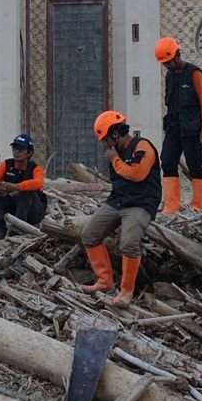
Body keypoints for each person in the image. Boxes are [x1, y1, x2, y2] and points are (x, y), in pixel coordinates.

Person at [81, 110, 160, 307]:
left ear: (115, 134)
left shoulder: (142, 147)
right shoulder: (116, 152)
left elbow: (137, 174)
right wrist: (116, 159)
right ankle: (105, 281)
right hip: (118, 200)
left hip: (141, 203)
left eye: (106, 139)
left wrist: (115, 159)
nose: (105, 145)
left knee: (129, 243)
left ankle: (126, 291)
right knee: (90, 234)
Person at [155, 37, 202, 213]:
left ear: (177, 55)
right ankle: (171, 206)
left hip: (191, 129)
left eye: (168, 62)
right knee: (167, 161)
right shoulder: (170, 75)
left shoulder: (194, 73)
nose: (166, 66)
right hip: (174, 127)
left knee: (196, 166)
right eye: (163, 63)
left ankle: (197, 206)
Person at [0, 133, 47, 240]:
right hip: (14, 207)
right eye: (14, 148)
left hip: (33, 211)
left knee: (27, 189)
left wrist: (15, 186)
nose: (16, 151)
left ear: (29, 152)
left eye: (21, 149)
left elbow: (38, 183)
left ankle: (18, 227)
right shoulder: (7, 164)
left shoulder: (35, 168)